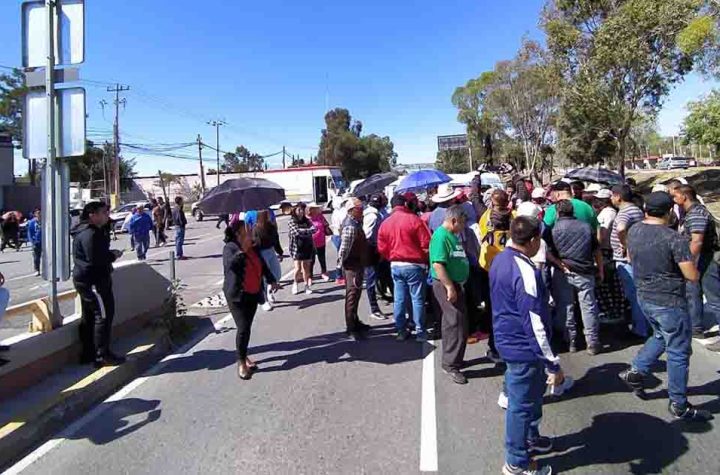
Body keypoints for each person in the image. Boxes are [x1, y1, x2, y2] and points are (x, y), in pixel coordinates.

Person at [620, 192, 712, 421]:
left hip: (645, 296)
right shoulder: (674, 239)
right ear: (670, 211)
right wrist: (697, 271)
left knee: (661, 335)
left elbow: (631, 258)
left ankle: (636, 371)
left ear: (645, 210)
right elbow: (690, 275)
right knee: (679, 351)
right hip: (670, 301)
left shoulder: (634, 231)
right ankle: (679, 403)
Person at [491, 216, 564, 475]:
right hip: (523, 347)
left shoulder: (500, 259)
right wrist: (552, 363)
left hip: (508, 339)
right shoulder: (525, 271)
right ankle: (517, 462)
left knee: (531, 397)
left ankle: (530, 439)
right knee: (521, 406)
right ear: (533, 240)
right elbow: (534, 324)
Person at [71, 201, 125, 367]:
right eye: (103, 212)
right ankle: (102, 355)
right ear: (92, 215)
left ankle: (89, 353)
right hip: (94, 280)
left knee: (89, 317)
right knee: (103, 316)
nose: (106, 215)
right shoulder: (91, 234)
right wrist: (113, 255)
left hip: (87, 279)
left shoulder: (88, 231)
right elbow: (96, 258)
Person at [223, 220, 278, 380]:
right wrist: (243, 251)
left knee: (247, 327)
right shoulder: (230, 248)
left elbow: (262, 264)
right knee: (243, 328)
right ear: (238, 233)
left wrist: (272, 279)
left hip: (253, 293)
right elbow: (230, 265)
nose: (249, 232)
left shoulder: (252, 246)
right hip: (237, 296)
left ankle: (244, 355)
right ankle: (241, 362)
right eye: (245, 230)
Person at [550, 199, 603, 354]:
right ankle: (592, 342)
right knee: (589, 307)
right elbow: (596, 250)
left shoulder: (554, 229)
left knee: (566, 307)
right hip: (585, 271)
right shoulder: (585, 227)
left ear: (558, 212)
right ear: (572, 211)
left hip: (563, 271)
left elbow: (547, 251)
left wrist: (559, 264)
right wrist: (600, 270)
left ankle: (570, 340)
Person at [377, 194, 431, 341]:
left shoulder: (385, 223)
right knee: (417, 299)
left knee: (399, 298)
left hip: (396, 264)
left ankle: (401, 330)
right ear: (405, 204)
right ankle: (420, 331)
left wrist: (391, 257)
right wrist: (425, 260)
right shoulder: (414, 220)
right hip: (414, 264)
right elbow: (426, 244)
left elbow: (381, 247)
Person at [673, 185, 720, 341]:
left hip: (705, 258)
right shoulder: (691, 213)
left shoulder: (696, 214)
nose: (673, 199)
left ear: (684, 197)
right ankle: (696, 328)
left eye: (675, 196)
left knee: (714, 299)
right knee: (693, 294)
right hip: (699, 258)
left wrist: (688, 261)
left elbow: (697, 242)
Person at [430, 205, 470, 384]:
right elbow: (438, 265)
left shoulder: (451, 235)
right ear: (454, 220)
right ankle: (451, 364)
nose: (463, 227)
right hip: (447, 284)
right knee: (455, 323)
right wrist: (449, 287)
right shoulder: (441, 237)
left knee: (454, 322)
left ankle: (453, 358)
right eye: (461, 223)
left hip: (455, 283)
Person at [477, 189, 515, 362]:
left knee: (493, 310)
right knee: (511, 308)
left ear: (492, 202)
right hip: (510, 266)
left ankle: (494, 347)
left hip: (490, 268)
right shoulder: (514, 216)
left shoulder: (486, 217)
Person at [610, 184, 648, 338]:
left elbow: (620, 228)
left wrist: (625, 245)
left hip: (625, 260)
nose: (611, 199)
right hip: (633, 257)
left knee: (634, 294)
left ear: (618, 196)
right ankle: (643, 325)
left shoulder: (624, 213)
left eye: (612, 195)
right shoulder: (636, 209)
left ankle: (641, 329)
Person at [338, 198, 372, 340]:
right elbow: (344, 249)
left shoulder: (355, 223)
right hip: (352, 265)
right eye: (359, 209)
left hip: (356, 264)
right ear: (352, 210)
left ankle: (355, 321)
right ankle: (351, 327)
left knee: (356, 293)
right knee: (352, 295)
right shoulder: (351, 226)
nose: (362, 211)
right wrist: (340, 266)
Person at [593, 189, 625, 324]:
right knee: (611, 283)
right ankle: (615, 311)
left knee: (605, 284)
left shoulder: (608, 214)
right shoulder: (609, 212)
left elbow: (602, 233)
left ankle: (611, 312)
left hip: (605, 251)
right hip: (607, 251)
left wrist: (596, 248)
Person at [253, 210, 284, 311]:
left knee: (277, 273)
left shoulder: (271, 227)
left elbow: (276, 240)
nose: (269, 216)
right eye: (266, 215)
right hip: (261, 253)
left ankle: (270, 290)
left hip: (271, 251)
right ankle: (265, 301)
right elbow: (254, 244)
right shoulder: (256, 229)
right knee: (264, 278)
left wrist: (280, 252)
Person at [363, 194, 386, 320]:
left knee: (375, 277)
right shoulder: (372, 215)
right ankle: (374, 308)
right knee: (371, 279)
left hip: (372, 249)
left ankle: (379, 298)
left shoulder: (372, 213)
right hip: (370, 250)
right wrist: (377, 245)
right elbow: (367, 235)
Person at [288, 203, 316, 295]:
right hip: (297, 248)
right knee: (297, 268)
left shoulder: (307, 221)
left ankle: (306, 285)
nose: (301, 212)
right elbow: (296, 232)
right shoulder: (292, 221)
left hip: (307, 247)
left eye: (302, 210)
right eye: (299, 210)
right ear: (295, 211)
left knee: (306, 268)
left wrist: (303, 231)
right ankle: (295, 283)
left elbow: (314, 229)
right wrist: (307, 231)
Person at [308, 203, 332, 282]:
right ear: (311, 209)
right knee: (311, 260)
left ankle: (324, 272)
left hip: (321, 241)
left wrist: (327, 227)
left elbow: (325, 224)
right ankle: (309, 276)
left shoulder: (320, 216)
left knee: (322, 258)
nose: (318, 209)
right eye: (316, 208)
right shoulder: (307, 218)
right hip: (310, 242)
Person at [331, 197, 349, 285]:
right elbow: (340, 227)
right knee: (341, 256)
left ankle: (341, 275)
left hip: (337, 235)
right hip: (339, 236)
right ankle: (339, 276)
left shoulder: (336, 212)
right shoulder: (339, 212)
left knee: (342, 256)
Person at [27, 208, 42, 276]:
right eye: (37, 213)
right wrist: (32, 241)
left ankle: (47, 269)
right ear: (35, 214)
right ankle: (37, 269)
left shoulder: (45, 221)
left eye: (40, 213)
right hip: (36, 241)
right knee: (36, 257)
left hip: (45, 241)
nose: (39, 214)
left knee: (47, 256)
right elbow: (30, 233)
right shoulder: (32, 222)